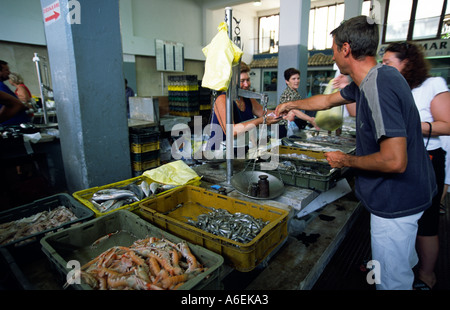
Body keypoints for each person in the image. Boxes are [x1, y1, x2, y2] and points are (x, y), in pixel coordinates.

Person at [275, 15, 437, 290]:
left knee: (391, 282)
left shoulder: (378, 85)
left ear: (346, 49)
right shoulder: (372, 79)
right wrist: (289, 106)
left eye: (335, 49)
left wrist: (346, 160)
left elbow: (395, 160)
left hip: (395, 202)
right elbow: (326, 100)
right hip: (409, 194)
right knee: (400, 266)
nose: (334, 54)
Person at [382, 42, 450, 290]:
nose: (383, 67)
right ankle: (396, 264)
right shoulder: (393, 87)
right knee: (399, 219)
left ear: (407, 63)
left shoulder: (433, 85)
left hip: (427, 161)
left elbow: (448, 124)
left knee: (427, 223)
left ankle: (427, 275)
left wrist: (410, 125)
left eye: (388, 62)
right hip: (400, 159)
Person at [208, 62, 280, 155]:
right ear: (231, 82)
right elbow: (231, 131)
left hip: (239, 152)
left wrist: (283, 111)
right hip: (218, 154)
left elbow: (264, 113)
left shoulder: (247, 98)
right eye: (242, 81)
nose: (246, 84)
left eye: (248, 80)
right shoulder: (222, 100)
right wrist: (261, 121)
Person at [279, 68, 319, 136]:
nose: (297, 81)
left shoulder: (295, 92)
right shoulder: (287, 94)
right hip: (285, 127)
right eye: (293, 79)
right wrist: (310, 119)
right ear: (287, 81)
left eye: (298, 78)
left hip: (292, 125)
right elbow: (294, 111)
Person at [0, 60, 30, 125]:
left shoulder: (2, 86)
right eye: (6, 70)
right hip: (11, 124)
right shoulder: (1, 86)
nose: (9, 72)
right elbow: (17, 104)